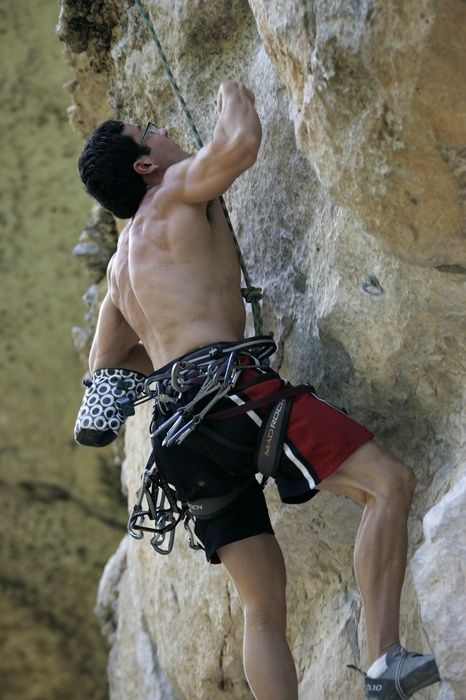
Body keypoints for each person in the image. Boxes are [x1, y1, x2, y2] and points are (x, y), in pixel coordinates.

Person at [74, 81, 441, 700]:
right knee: (388, 485)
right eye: (149, 131)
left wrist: (174, 338)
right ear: (145, 164)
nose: (161, 131)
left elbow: (109, 364)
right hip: (235, 394)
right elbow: (240, 142)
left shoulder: (119, 267)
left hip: (178, 434)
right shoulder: (172, 190)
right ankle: (384, 663)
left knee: (262, 606)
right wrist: (227, 89)